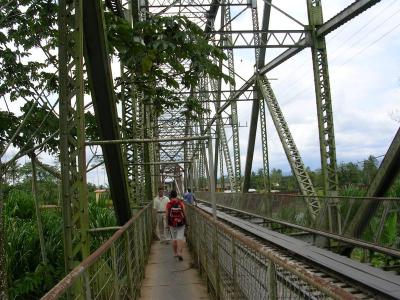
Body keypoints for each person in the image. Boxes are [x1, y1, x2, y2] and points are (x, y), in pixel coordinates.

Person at [166, 190, 186, 261]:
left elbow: (167, 214)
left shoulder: (169, 204)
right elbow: (184, 212)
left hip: (172, 224)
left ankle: (175, 253)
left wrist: (167, 223)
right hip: (181, 223)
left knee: (174, 239)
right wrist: (186, 221)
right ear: (176, 195)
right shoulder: (180, 203)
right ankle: (179, 253)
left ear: (170, 196)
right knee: (180, 238)